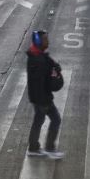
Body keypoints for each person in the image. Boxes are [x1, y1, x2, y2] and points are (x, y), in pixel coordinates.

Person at [25, 30, 65, 160]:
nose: (48, 41)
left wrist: (54, 66)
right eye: (45, 39)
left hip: (38, 97)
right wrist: (45, 101)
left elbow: (49, 63)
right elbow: (41, 83)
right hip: (42, 98)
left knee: (38, 121)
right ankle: (49, 148)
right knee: (55, 120)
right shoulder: (39, 61)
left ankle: (33, 148)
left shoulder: (37, 56)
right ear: (38, 41)